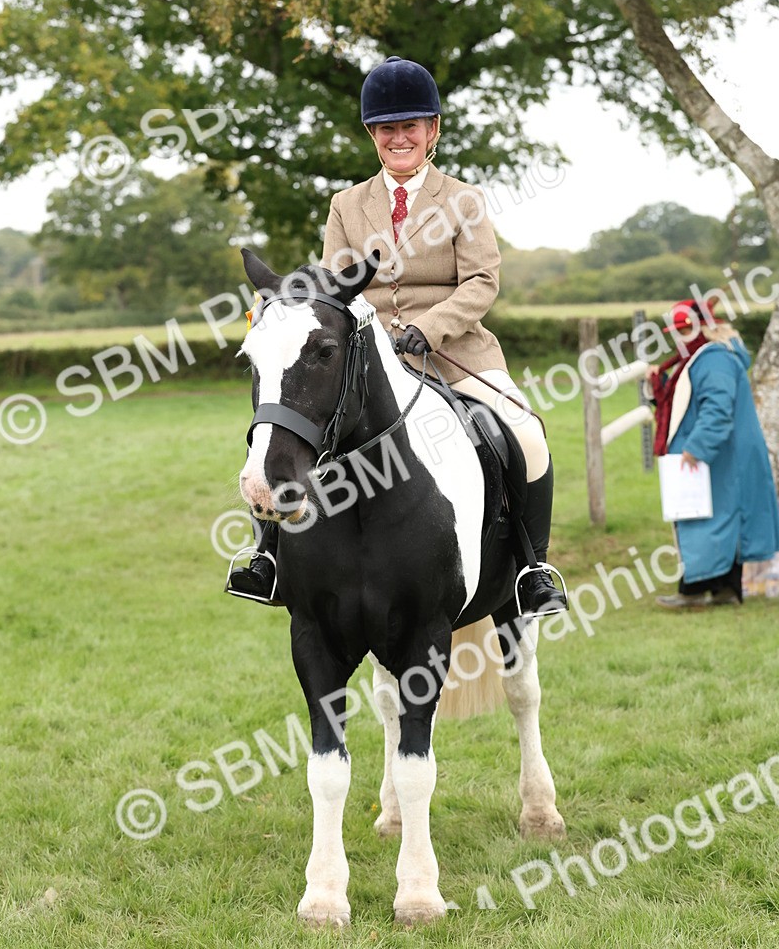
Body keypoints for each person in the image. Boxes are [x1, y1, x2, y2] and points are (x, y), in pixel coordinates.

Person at [231, 56, 566, 616]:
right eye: (388, 128)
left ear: (432, 131)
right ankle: (268, 557)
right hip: (371, 361)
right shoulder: (346, 204)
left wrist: (427, 329)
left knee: (525, 433)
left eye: (410, 126)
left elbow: (482, 282)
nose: (399, 138)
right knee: (284, 429)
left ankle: (532, 569)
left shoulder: (463, 200)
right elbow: (333, 290)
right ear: (373, 136)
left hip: (459, 356)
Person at [649, 299, 779, 609]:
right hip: (722, 456)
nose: (679, 337)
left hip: (717, 458)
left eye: (684, 329)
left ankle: (693, 591)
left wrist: (698, 447)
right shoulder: (708, 356)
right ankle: (724, 590)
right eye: (676, 331)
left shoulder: (713, 359)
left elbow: (717, 410)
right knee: (717, 522)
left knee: (703, 521)